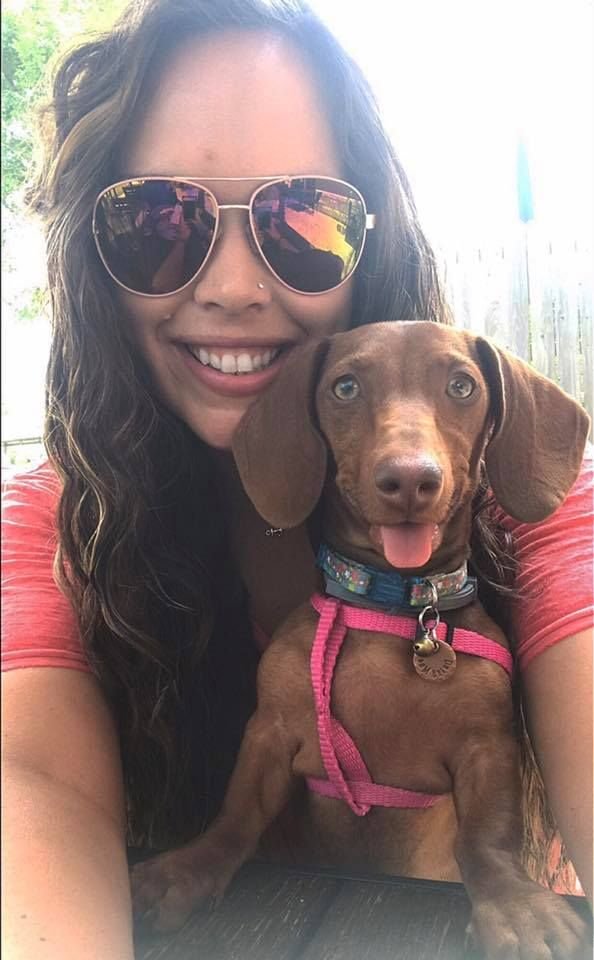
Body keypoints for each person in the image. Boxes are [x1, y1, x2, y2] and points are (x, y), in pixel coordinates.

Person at [2, 1, 592, 957]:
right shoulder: (62, 536)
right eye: (158, 219)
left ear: (371, 243)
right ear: (91, 267)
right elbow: (30, 817)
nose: (234, 285)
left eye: (303, 217)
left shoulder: (527, 500)